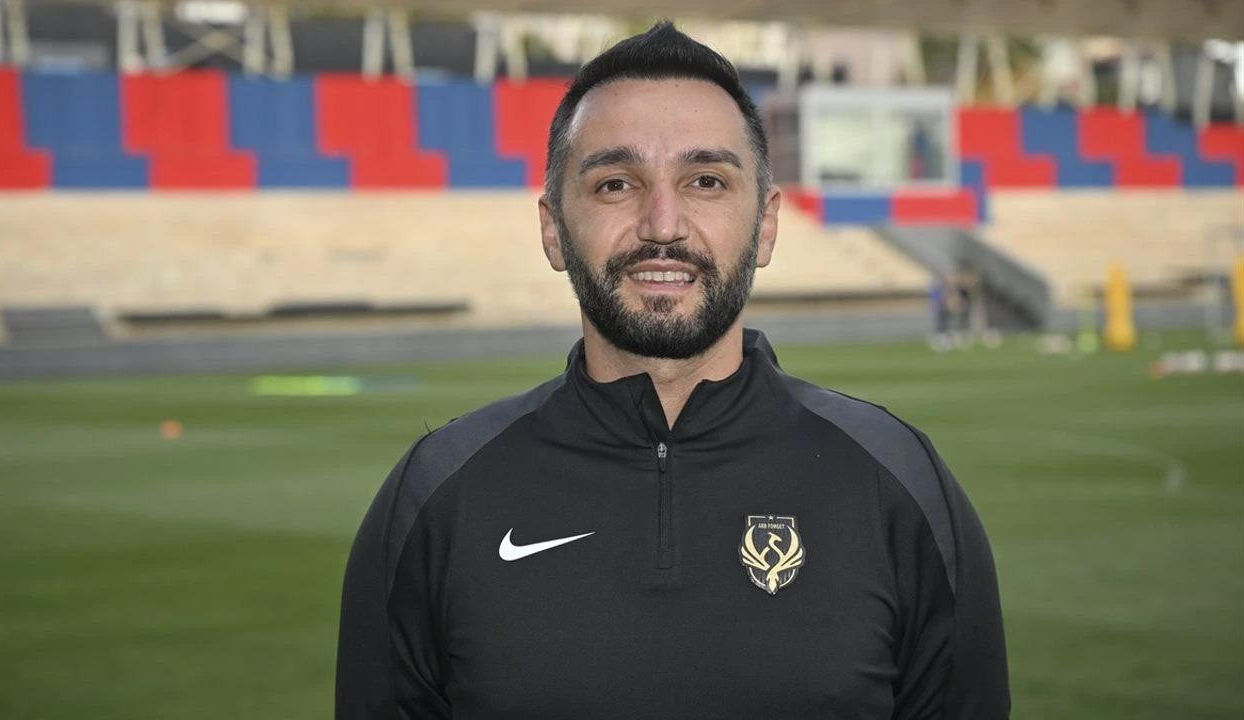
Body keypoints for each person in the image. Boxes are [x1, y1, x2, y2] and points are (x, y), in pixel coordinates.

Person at [336, 21, 1009, 719]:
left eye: (706, 181)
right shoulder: (438, 497)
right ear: (552, 229)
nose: (663, 224)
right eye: (615, 184)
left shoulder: (900, 485)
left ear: (767, 224)